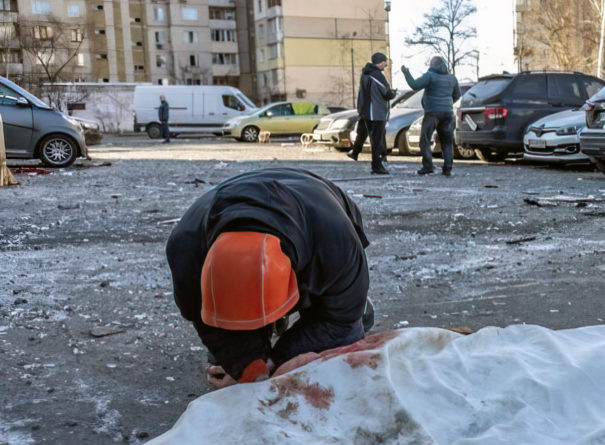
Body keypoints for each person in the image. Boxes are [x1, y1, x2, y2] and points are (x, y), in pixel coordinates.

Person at [165, 168, 375, 388]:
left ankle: (360, 306)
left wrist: (281, 359)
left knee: (344, 326)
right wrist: (247, 367)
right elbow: (202, 319)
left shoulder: (338, 246)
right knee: (231, 367)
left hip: (318, 203)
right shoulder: (186, 252)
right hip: (269, 215)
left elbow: (339, 322)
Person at [401, 56, 460, 176]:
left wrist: (406, 73)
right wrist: (447, 103)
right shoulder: (452, 78)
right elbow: (457, 95)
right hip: (448, 113)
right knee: (447, 142)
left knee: (425, 140)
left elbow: (415, 85)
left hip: (432, 113)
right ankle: (447, 168)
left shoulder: (430, 76)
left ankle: (428, 166)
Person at [348, 52, 396, 175]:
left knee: (372, 138)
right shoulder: (377, 75)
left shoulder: (365, 74)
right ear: (380, 62)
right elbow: (386, 93)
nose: (385, 65)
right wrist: (393, 94)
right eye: (384, 62)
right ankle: (377, 165)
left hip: (366, 111)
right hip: (376, 111)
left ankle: (371, 161)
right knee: (377, 139)